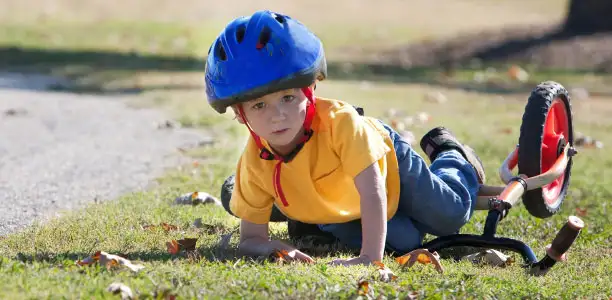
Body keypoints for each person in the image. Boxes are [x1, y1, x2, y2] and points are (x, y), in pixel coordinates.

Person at [205, 10, 486, 266]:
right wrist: (274, 248)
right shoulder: (255, 162)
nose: (278, 115)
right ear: (241, 115)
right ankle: (308, 221)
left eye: (288, 98)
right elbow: (250, 240)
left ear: (310, 91)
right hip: (333, 200)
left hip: (387, 164)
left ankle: (451, 154)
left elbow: (373, 191)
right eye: (259, 105)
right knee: (405, 241)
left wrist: (370, 259)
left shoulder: (343, 125)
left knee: (450, 216)